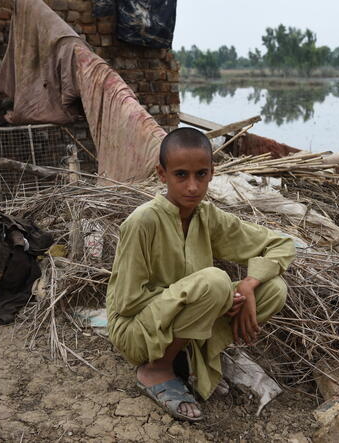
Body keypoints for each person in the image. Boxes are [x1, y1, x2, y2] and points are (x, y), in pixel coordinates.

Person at [106, 127, 295, 421]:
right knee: (215, 282)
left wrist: (248, 283)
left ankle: (194, 356)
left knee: (274, 289)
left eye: (201, 175)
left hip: (182, 322)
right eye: (181, 175)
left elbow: (281, 244)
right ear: (162, 174)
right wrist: (202, 297)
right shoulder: (142, 222)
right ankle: (156, 370)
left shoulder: (208, 217)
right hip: (136, 332)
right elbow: (127, 303)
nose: (192, 186)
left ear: (212, 173)